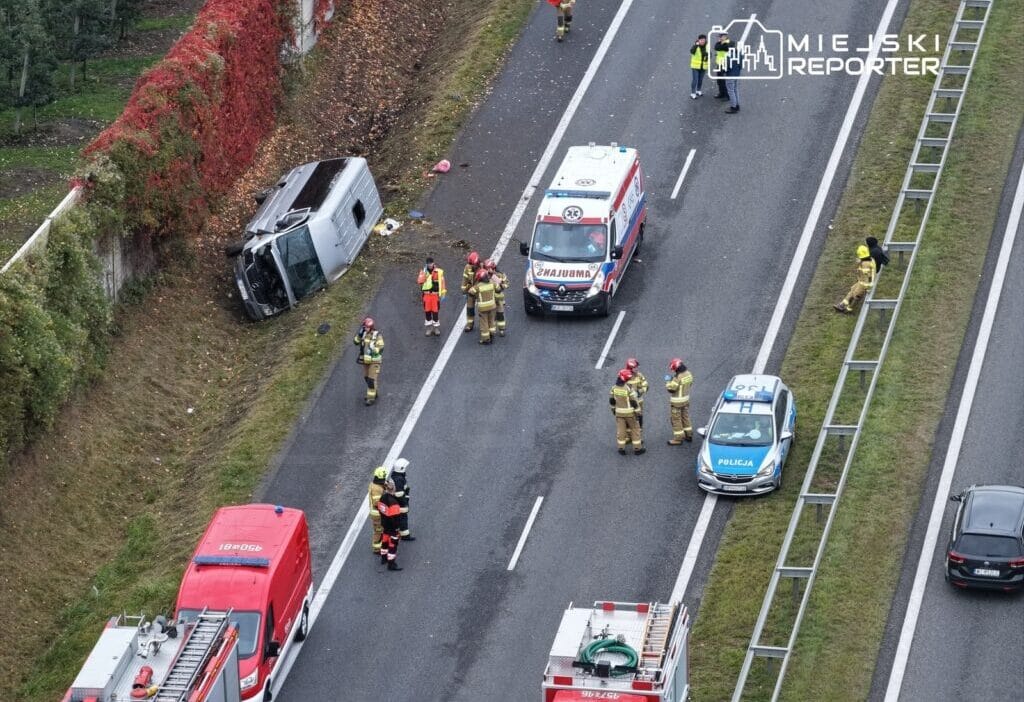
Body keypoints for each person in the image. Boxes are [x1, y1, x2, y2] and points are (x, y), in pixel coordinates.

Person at [610, 368, 645, 455]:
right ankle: (637, 449)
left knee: (621, 430)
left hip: (619, 413)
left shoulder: (613, 388)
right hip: (630, 413)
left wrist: (614, 410)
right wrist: (638, 412)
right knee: (635, 429)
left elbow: (612, 401)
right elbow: (634, 401)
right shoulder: (628, 389)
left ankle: (621, 448)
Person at [834, 244, 876, 314]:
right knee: (852, 290)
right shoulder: (869, 260)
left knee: (856, 295)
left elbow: (868, 277)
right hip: (861, 282)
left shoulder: (866, 264)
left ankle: (849, 309)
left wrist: (868, 288)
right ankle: (842, 305)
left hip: (865, 284)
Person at [353, 316, 384, 405]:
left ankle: (371, 398)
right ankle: (374, 392)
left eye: (366, 327)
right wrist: (359, 335)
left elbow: (381, 347)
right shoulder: (363, 333)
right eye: (364, 327)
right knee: (366, 378)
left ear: (371, 327)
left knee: (371, 379)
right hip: (365, 361)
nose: (365, 328)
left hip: (374, 361)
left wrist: (373, 350)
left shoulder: (377, 335)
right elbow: (355, 342)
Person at [665, 358, 693, 445]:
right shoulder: (689, 374)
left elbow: (671, 389)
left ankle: (678, 439)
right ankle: (689, 435)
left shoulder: (678, 377)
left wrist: (668, 381)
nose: (674, 371)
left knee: (676, 419)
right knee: (685, 417)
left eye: (674, 369)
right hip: (686, 400)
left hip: (677, 402)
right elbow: (690, 384)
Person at [416, 257, 446, 336]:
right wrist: (423, 274)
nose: (429, 265)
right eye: (428, 263)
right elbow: (419, 281)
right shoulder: (423, 272)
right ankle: (429, 328)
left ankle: (436, 328)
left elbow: (442, 283)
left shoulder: (438, 272)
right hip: (426, 296)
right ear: (426, 264)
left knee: (435, 313)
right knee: (427, 312)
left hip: (435, 296)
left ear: (433, 263)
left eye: (431, 263)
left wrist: (443, 294)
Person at [377, 480, 403, 571]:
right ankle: (391, 564)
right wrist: (397, 528)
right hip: (392, 527)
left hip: (385, 524)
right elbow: (395, 519)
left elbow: (380, 509)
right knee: (393, 544)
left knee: (384, 541)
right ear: (393, 489)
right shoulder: (393, 503)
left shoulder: (382, 498)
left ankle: (383, 558)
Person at [468, 269, 498, 344]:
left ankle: (485, 339)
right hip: (492, 306)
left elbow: (471, 292)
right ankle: (492, 333)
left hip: (483, 308)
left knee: (484, 323)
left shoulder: (478, 286)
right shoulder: (492, 283)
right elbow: (499, 289)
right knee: (491, 321)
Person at [391, 458, 415, 541]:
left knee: (398, 519)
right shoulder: (399, 479)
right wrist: (405, 503)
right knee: (403, 518)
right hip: (400, 503)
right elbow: (399, 494)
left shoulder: (396, 476)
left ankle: (398, 533)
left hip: (396, 502)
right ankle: (405, 536)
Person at [484, 259, 509, 337]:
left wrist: (501, 285)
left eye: (488, 268)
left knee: (500, 314)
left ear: (493, 267)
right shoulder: (485, 276)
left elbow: (507, 284)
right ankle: (492, 330)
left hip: (498, 298)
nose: (487, 270)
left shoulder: (500, 275)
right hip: (490, 299)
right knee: (492, 316)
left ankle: (501, 329)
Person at [623, 358, 649, 427]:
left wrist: (639, 392)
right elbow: (620, 387)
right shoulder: (624, 375)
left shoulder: (639, 375)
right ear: (630, 368)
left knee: (639, 415)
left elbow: (646, 385)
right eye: (635, 367)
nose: (637, 369)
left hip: (638, 400)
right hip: (628, 401)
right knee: (628, 416)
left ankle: (639, 429)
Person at [368, 466, 387, 553]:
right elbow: (377, 503)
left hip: (377, 512)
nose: (384, 478)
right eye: (384, 477)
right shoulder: (377, 489)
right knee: (378, 530)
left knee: (380, 529)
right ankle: (377, 548)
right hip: (377, 513)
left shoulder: (374, 484)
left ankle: (380, 545)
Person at [461, 251, 481, 332]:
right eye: (471, 264)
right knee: (469, 308)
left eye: (473, 264)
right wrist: (464, 290)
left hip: (479, 290)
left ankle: (483, 326)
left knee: (482, 310)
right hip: (470, 290)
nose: (471, 266)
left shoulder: (482, 267)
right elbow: (465, 278)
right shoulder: (467, 267)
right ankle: (470, 324)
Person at [724, 43, 742, 113]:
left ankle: (733, 107)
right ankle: (737, 105)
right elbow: (741, 65)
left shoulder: (728, 55)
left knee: (731, 91)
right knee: (735, 89)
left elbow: (727, 67)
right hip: (737, 74)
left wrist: (724, 71)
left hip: (730, 75)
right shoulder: (739, 53)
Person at [713, 32, 731, 99]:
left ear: (725, 36)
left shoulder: (727, 43)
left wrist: (719, 43)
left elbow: (718, 47)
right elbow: (716, 47)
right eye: (719, 37)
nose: (719, 38)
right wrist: (719, 43)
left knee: (724, 81)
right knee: (719, 80)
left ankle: (727, 95)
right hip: (720, 64)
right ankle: (721, 93)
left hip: (725, 64)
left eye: (721, 36)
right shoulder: (721, 43)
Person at [689, 34, 708, 99]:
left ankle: (698, 90)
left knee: (700, 79)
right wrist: (696, 45)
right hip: (695, 66)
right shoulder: (696, 46)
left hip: (703, 66)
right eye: (701, 40)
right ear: (698, 40)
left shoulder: (707, 46)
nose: (702, 41)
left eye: (704, 40)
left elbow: (710, 54)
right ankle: (693, 93)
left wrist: (708, 55)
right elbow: (692, 51)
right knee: (695, 80)